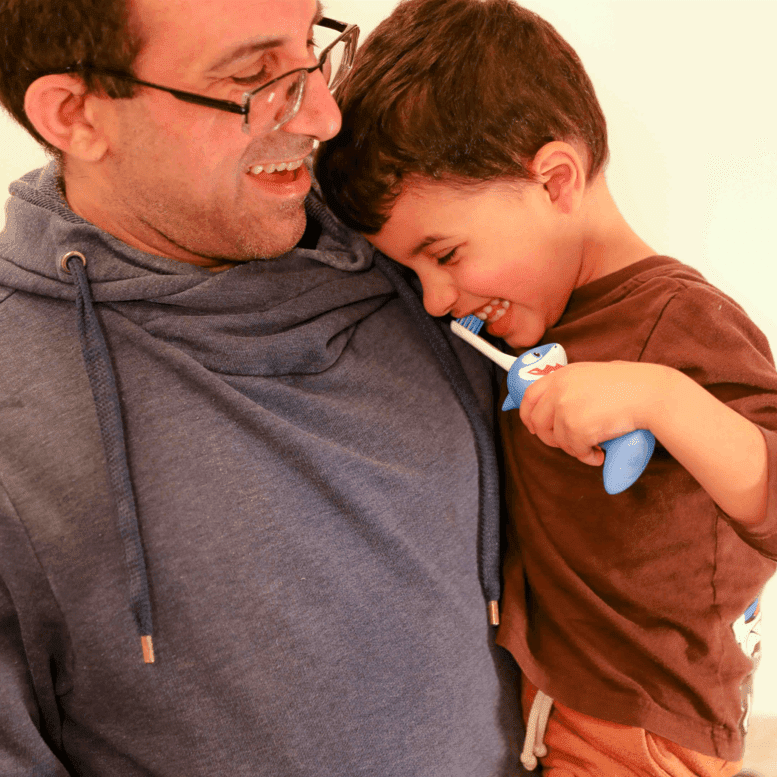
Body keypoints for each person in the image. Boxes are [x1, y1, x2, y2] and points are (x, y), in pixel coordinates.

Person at [0, 0, 529, 774]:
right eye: (253, 76)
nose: (324, 113)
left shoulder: (426, 258)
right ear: (75, 114)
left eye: (311, 46)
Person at [315, 0, 777, 774]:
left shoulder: (679, 322)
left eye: (446, 253)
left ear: (555, 179)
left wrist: (662, 398)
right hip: (550, 708)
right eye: (413, 271)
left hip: (641, 733)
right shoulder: (515, 323)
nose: (435, 298)